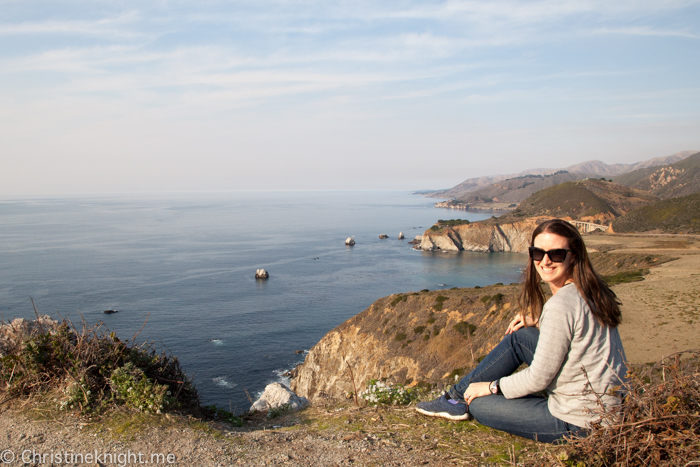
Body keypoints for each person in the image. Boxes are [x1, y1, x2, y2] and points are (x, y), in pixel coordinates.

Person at [415, 219, 627, 443]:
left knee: (477, 402)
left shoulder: (561, 306)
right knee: (521, 338)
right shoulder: (590, 291)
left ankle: (459, 398)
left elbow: (538, 378)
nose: (545, 261)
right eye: (538, 253)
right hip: (606, 408)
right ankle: (454, 398)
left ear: (573, 255)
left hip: (580, 422)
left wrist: (491, 387)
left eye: (556, 254)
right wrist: (540, 321)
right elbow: (578, 333)